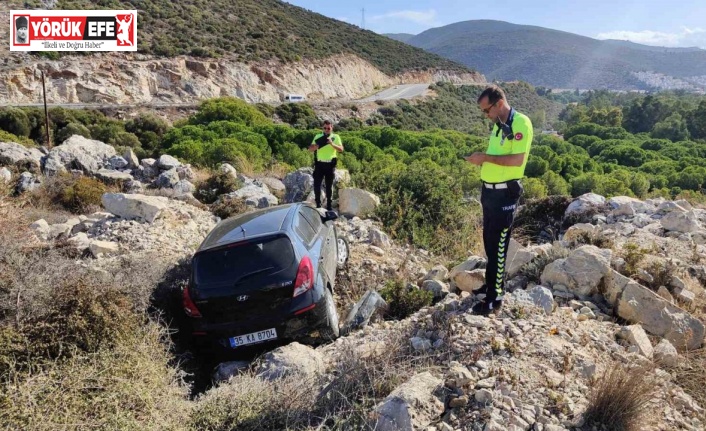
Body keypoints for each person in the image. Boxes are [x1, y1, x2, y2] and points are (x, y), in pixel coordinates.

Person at [465, 85, 533, 315]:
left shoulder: (520, 123)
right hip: (490, 193)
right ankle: (492, 284)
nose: (486, 115)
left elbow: (516, 160)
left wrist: (484, 158)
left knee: (498, 245)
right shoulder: (499, 125)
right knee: (489, 243)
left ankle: (495, 300)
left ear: (499, 104)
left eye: (487, 110)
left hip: (505, 194)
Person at [308, 120, 343, 210]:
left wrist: (332, 144)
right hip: (319, 164)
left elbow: (340, 149)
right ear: (322, 128)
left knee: (329, 185)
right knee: (317, 184)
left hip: (330, 164)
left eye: (328, 128)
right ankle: (318, 204)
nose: (327, 129)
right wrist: (317, 146)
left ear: (332, 128)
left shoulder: (336, 137)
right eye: (325, 128)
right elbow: (310, 149)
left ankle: (329, 205)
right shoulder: (318, 136)